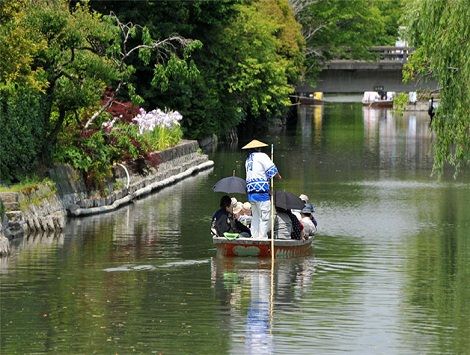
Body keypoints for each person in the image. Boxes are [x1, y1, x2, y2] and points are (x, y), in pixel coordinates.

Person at [242, 139, 282, 239]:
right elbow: (272, 170)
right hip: (261, 192)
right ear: (258, 148)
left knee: (255, 216)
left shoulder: (248, 160)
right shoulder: (262, 156)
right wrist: (279, 177)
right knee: (264, 216)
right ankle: (262, 237)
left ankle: (254, 236)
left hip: (251, 193)